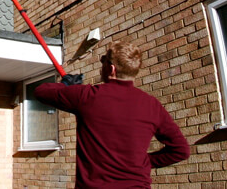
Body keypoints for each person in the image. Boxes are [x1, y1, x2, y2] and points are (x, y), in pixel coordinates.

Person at [35, 41, 190, 188]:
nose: (101, 66)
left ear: (112, 68)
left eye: (103, 61)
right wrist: (145, 162)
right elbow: (181, 150)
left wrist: (65, 85)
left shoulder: (88, 96)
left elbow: (41, 91)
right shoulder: (152, 105)